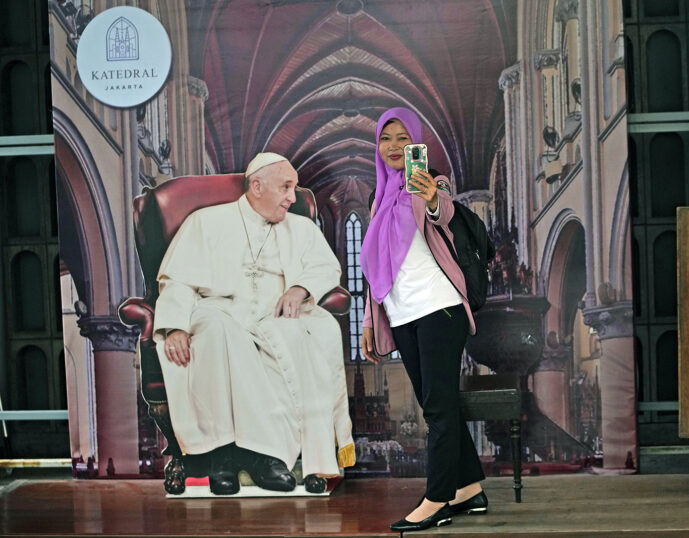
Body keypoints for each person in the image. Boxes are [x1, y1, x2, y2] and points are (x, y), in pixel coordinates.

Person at [153, 152, 354, 495]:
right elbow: (178, 280)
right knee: (217, 332)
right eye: (286, 187)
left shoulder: (302, 228)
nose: (293, 197)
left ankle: (268, 456)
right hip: (219, 309)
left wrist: (299, 288)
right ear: (257, 186)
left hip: (274, 314)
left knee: (308, 336)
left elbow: (325, 268)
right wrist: (174, 326)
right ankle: (223, 457)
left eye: (294, 188)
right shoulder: (206, 222)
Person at [360, 108, 487, 531]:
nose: (393, 147)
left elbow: (444, 214)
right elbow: (376, 270)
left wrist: (432, 197)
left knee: (438, 408)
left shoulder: (429, 182)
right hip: (402, 314)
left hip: (439, 308)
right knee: (437, 403)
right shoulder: (378, 198)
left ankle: (437, 501)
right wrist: (368, 322)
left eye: (402, 138)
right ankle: (470, 488)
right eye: (385, 139)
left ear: (415, 142)